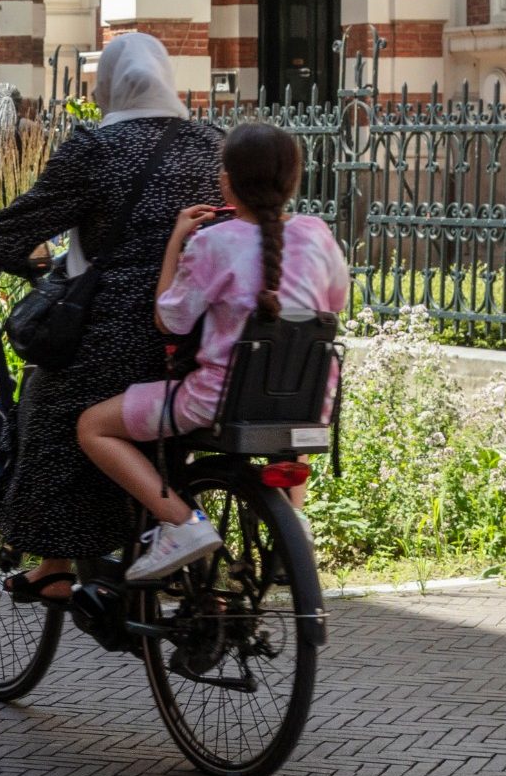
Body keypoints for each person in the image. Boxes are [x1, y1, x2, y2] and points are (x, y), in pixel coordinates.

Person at [0, 33, 221, 606]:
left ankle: (56, 565)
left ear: (109, 85)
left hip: (114, 325)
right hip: (198, 330)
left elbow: (36, 211)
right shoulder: (211, 144)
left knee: (48, 404)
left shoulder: (97, 146)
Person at [76, 122, 350, 581]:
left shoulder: (211, 242)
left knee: (92, 427)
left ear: (226, 181)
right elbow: (334, 303)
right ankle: (293, 525)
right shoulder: (318, 235)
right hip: (306, 399)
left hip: (215, 400)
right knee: (283, 412)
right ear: (294, 180)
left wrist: (175, 243)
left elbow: (171, 319)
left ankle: (183, 524)